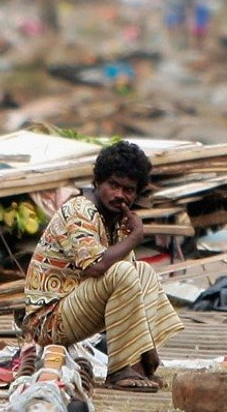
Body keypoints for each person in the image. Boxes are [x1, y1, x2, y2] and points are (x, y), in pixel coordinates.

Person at [21, 142, 183, 392]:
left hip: (75, 309)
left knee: (143, 272)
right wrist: (135, 236)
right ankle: (119, 370)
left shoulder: (116, 220)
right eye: (113, 185)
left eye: (128, 189)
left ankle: (137, 365)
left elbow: (133, 287)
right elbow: (95, 267)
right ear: (97, 182)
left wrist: (147, 347)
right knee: (121, 272)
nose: (120, 195)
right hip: (48, 321)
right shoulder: (80, 210)